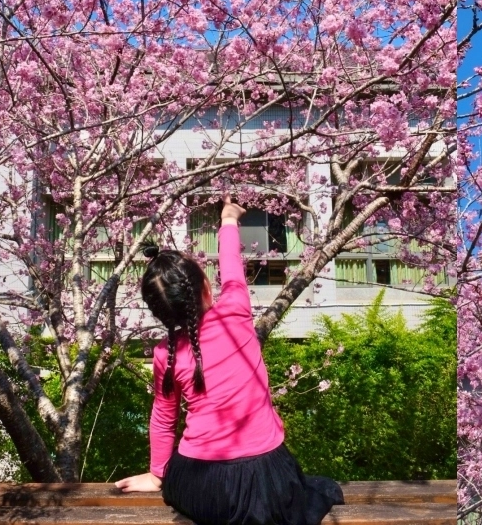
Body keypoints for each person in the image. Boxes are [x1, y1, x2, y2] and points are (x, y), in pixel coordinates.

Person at [115, 196, 343, 525]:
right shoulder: (235, 311)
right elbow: (232, 267)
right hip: (268, 482)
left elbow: (163, 419)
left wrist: (156, 475)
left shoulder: (166, 353)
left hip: (202, 488)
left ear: (161, 313)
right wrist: (229, 218)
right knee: (315, 488)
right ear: (207, 288)